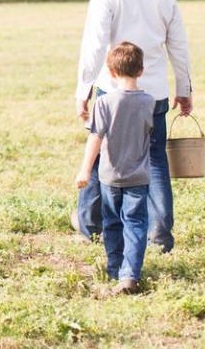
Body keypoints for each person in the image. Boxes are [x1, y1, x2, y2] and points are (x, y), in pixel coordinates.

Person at [73, 0, 193, 252]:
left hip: (111, 91)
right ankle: (160, 234)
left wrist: (83, 89)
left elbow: (95, 45)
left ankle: (89, 224)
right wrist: (184, 88)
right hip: (153, 93)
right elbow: (178, 46)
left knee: (99, 156)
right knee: (155, 160)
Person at [76, 42, 155, 295]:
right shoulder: (149, 102)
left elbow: (95, 138)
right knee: (135, 224)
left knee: (111, 223)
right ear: (141, 70)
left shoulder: (104, 103)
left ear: (110, 72)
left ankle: (114, 269)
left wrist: (85, 171)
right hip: (139, 177)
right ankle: (130, 274)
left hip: (109, 176)